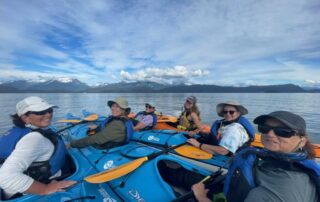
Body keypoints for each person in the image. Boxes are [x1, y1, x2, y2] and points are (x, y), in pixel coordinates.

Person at [192, 111, 320, 202]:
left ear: (302, 140)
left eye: (283, 132)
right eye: (264, 128)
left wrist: (201, 197)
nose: (270, 134)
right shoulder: (283, 158)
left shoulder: (283, 187)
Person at [0, 96, 76, 199]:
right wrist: (45, 189)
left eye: (49, 110)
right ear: (25, 117)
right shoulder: (34, 139)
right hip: (23, 191)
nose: (48, 114)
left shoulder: (20, 132)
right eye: (40, 112)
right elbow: (5, 177)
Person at [188, 101, 255, 156]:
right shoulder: (226, 122)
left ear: (238, 113)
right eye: (225, 112)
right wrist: (199, 132)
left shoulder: (234, 129)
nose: (228, 114)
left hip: (227, 155)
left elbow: (223, 151)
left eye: (231, 112)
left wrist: (198, 145)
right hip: (218, 144)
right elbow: (220, 134)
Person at [70, 97, 134, 149]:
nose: (112, 108)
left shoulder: (117, 124)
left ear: (124, 110)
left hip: (108, 147)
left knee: (86, 135)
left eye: (117, 106)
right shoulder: (126, 119)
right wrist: (97, 127)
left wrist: (72, 144)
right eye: (112, 106)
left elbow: (95, 139)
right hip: (118, 142)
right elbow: (110, 129)